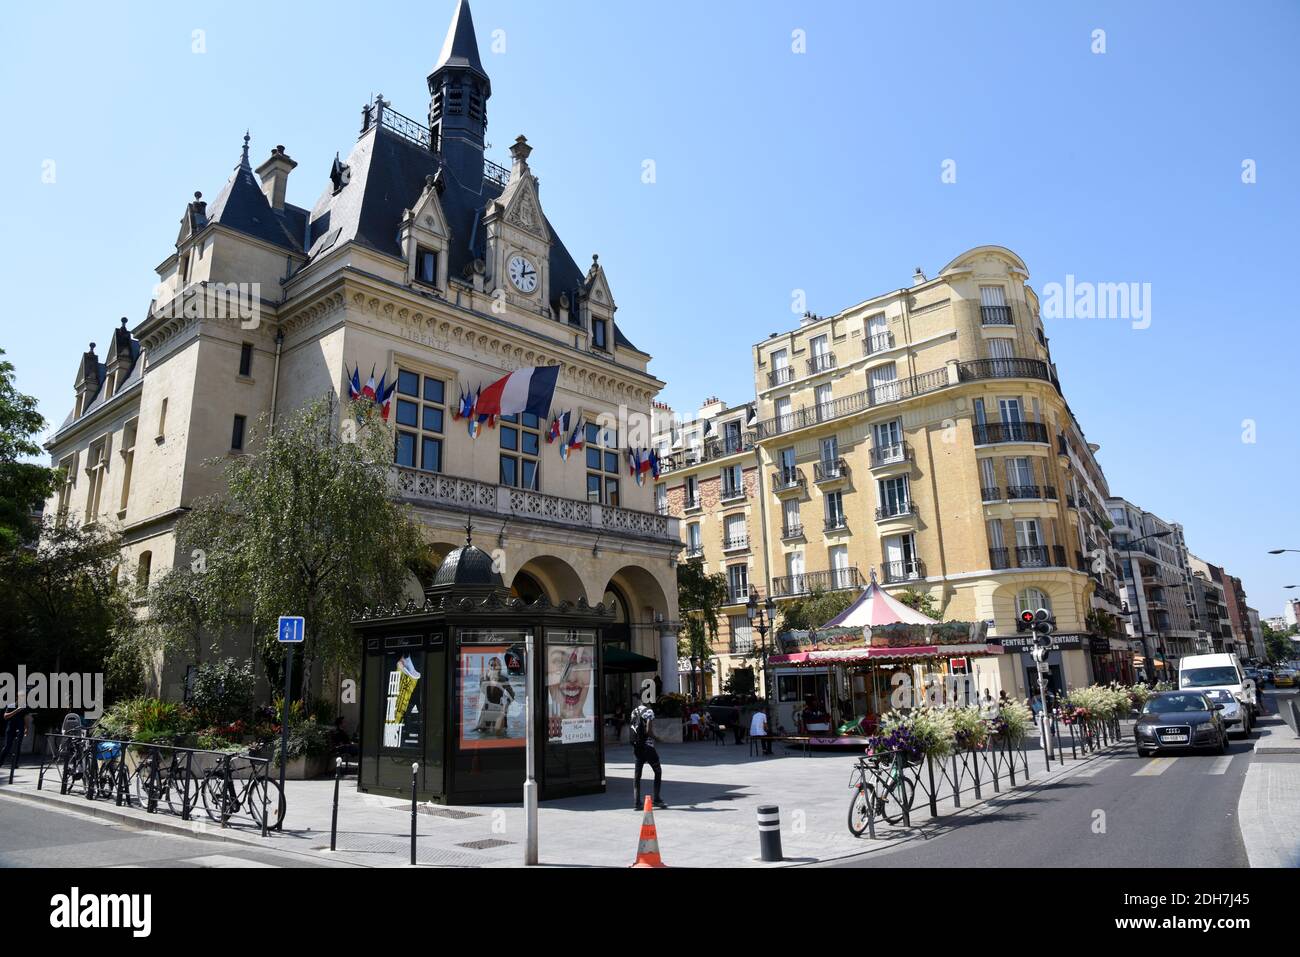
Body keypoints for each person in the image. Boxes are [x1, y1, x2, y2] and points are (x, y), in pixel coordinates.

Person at [629, 698, 666, 809]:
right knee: (658, 771)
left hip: (637, 747)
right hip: (648, 747)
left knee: (637, 775)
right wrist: (657, 738)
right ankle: (657, 799)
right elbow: (648, 731)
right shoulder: (649, 711)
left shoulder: (634, 712)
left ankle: (636, 802)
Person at [0, 683, 34, 770]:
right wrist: (16, 710)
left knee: (18, 747)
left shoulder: (24, 707)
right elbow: (5, 716)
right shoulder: (11, 705)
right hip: (11, 728)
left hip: (20, 728)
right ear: (17, 697)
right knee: (7, 746)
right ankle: (0, 762)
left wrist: (26, 728)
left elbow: (26, 718)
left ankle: (15, 764)